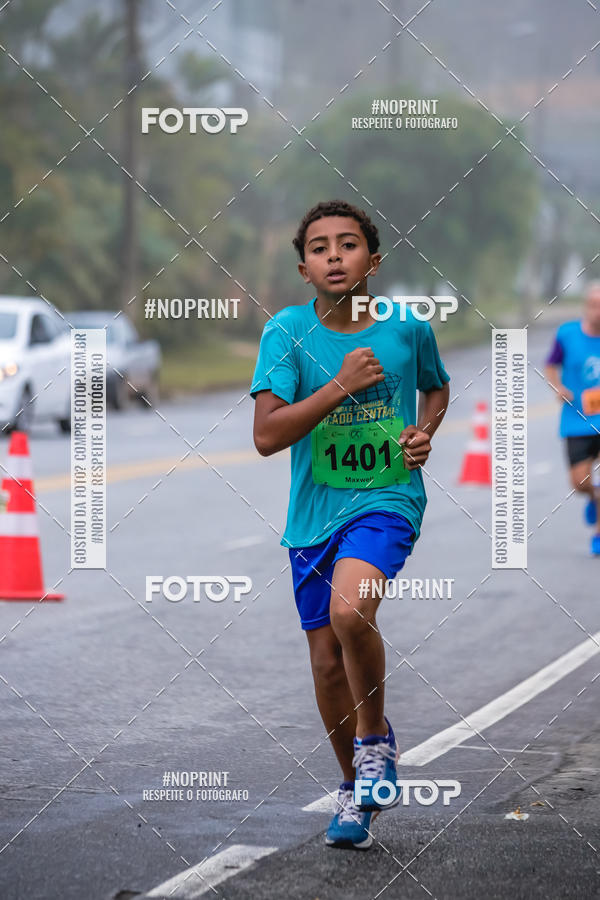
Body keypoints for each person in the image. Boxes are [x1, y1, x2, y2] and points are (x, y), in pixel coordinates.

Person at [250, 199, 450, 849]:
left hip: (386, 500)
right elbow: (266, 435)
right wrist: (339, 385)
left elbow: (436, 387)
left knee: (350, 611)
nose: (334, 255)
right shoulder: (285, 333)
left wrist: (424, 431)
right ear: (304, 269)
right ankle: (355, 792)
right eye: (319, 248)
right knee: (326, 663)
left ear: (374, 260)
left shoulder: (407, 328)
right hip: (312, 516)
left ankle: (373, 742)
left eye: (348, 243)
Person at [545, 282, 600, 555]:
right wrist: (558, 387)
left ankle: (598, 534)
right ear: (585, 307)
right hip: (576, 420)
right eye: (593, 305)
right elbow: (550, 364)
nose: (597, 311)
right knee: (580, 483)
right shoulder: (567, 334)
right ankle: (593, 496)